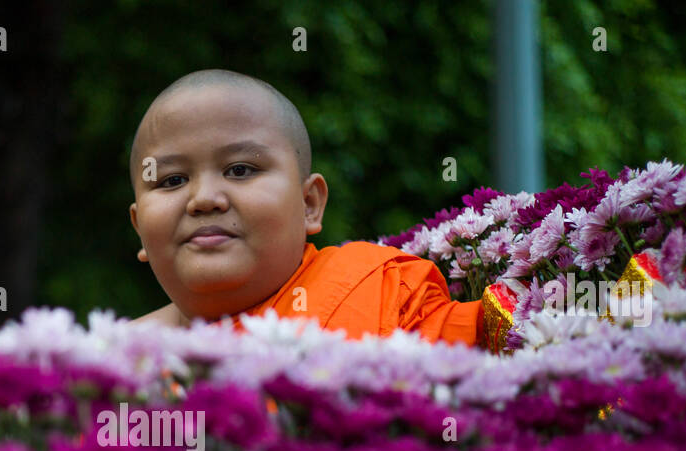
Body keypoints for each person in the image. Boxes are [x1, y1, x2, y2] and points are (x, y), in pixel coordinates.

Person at [128, 69, 480, 346]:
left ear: (308, 203)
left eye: (239, 170)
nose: (204, 198)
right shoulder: (111, 364)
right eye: (172, 180)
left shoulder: (379, 291)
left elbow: (497, 350)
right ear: (139, 227)